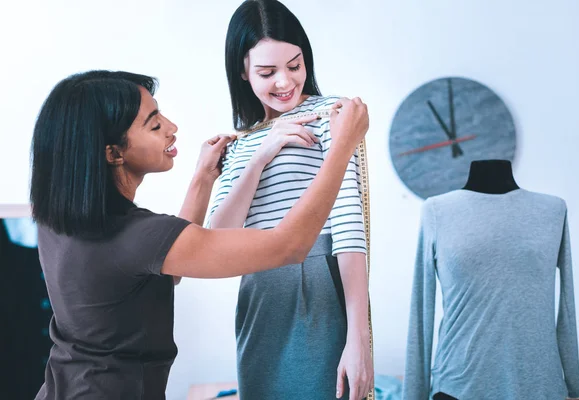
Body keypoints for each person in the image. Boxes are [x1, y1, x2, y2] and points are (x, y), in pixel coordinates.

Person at [30, 70, 368, 399]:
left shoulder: (59, 220)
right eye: (154, 123)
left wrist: (204, 178)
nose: (172, 128)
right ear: (113, 153)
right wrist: (341, 148)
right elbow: (290, 246)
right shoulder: (136, 236)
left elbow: (166, 262)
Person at [208, 1, 374, 399]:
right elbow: (217, 239)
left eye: (295, 66)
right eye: (267, 72)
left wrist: (359, 337)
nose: (285, 82)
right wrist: (263, 153)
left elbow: (348, 223)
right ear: (242, 71)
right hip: (259, 294)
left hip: (316, 283)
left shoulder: (331, 113)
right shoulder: (241, 142)